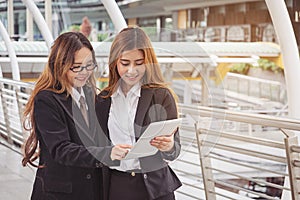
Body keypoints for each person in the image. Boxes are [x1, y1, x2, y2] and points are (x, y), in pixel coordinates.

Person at [21, 32, 129, 200]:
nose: (84, 72)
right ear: (60, 65)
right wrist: (106, 154)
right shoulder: (47, 100)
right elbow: (61, 149)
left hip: (91, 191)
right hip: (60, 193)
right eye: (76, 66)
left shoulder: (91, 94)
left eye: (89, 65)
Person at [95, 26, 182, 200]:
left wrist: (169, 146)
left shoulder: (161, 95)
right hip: (117, 186)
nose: (131, 70)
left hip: (155, 189)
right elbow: (95, 147)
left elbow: (174, 150)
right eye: (125, 63)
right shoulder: (103, 100)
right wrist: (108, 152)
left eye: (139, 63)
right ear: (114, 62)